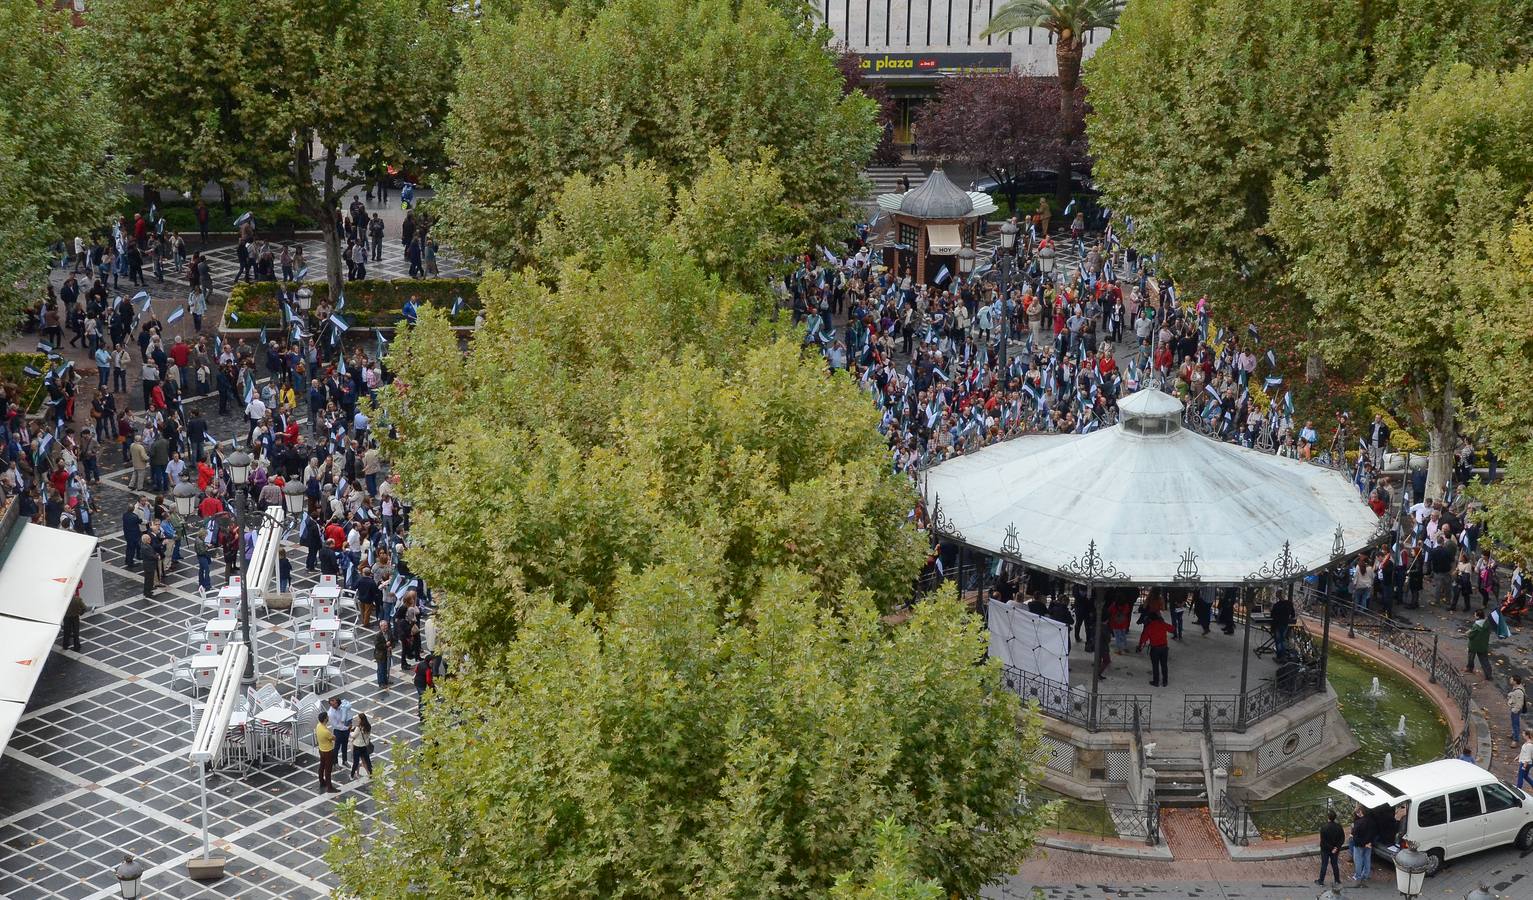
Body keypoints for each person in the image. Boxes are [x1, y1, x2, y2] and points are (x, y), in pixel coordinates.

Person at [1136, 609, 1172, 687]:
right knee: (1164, 665)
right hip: (1164, 648)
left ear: (1150, 619)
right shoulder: (1162, 624)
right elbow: (1172, 629)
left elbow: (1143, 639)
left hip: (1155, 649)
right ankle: (1165, 681)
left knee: (1155, 666)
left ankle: (1156, 682)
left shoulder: (1149, 627)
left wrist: (1139, 647)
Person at [1317, 809, 1344, 888]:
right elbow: (1342, 838)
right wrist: (1336, 847)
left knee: (1324, 864)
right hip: (1335, 850)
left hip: (1325, 849)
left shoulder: (1324, 827)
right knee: (1335, 864)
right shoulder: (1339, 827)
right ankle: (1337, 880)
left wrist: (1331, 847)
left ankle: (1321, 881)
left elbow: (1323, 841)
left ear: (1328, 817)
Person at [315, 704, 338, 793]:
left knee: (322, 766)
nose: (328, 718)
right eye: (327, 717)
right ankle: (329, 787)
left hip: (321, 749)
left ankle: (322, 781)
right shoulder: (326, 731)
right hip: (328, 751)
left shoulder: (318, 726)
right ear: (325, 719)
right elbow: (333, 738)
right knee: (328, 770)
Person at [326, 696, 354, 769]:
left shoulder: (341, 706)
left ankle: (345, 761)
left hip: (346, 729)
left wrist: (348, 724)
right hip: (338, 731)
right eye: (332, 704)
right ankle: (335, 763)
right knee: (336, 748)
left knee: (345, 746)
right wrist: (347, 727)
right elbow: (336, 725)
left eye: (335, 703)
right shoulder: (331, 713)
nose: (334, 705)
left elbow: (347, 709)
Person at [1349, 804, 1374, 883]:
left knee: (1358, 860)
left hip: (1359, 844)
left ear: (1360, 812)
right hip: (1369, 843)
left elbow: (1355, 837)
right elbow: (1373, 833)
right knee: (1367, 859)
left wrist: (1363, 843)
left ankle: (1358, 876)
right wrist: (1369, 842)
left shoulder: (1358, 823)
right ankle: (1366, 875)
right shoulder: (1371, 821)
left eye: (1357, 812)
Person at [1465, 609, 1493, 681]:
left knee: (1471, 657)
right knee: (1484, 660)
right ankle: (1488, 675)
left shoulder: (1476, 625)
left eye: (1475, 614)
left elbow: (1471, 635)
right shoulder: (1487, 624)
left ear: (1477, 616)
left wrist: (1468, 633)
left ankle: (1469, 668)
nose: (1474, 615)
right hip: (1483, 645)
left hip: (1474, 645)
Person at [59, 585, 84, 652]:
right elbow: (84, 608)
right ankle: (76, 646)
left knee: (66, 632)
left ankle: (65, 645)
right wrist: (80, 613)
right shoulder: (77, 599)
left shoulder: (64, 600)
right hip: (75, 617)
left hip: (67, 618)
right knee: (76, 632)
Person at [350, 713, 374, 777]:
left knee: (356, 762)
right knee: (367, 760)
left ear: (361, 719)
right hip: (364, 746)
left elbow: (354, 735)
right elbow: (368, 736)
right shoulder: (368, 726)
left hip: (357, 746)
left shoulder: (359, 727)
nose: (357, 719)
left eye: (358, 718)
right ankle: (371, 773)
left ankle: (352, 775)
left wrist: (351, 732)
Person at [373, 619, 393, 687]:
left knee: (386, 668)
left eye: (386, 626)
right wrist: (386, 645)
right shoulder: (378, 635)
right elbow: (377, 645)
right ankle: (381, 683)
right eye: (383, 626)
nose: (385, 627)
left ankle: (385, 680)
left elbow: (393, 640)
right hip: (380, 655)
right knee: (381, 669)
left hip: (387, 654)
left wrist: (391, 646)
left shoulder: (389, 632)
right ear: (380, 626)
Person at [1510, 675, 1527, 744]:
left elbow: (1519, 704)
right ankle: (1514, 734)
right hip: (1514, 708)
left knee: (1515, 724)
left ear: (1515, 681)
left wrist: (1514, 710)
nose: (1510, 680)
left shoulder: (1518, 692)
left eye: (1511, 679)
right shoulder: (1516, 687)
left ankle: (1515, 739)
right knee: (1514, 723)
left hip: (1515, 710)